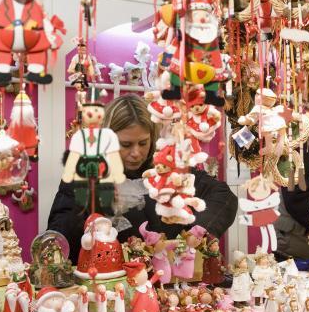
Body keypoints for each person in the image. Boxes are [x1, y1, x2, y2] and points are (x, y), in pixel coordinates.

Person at [48, 94, 238, 263]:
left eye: (143, 143)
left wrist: (197, 232)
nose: (136, 153)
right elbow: (59, 239)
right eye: (126, 144)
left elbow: (223, 196)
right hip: (113, 285)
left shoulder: (167, 167)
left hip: (170, 283)